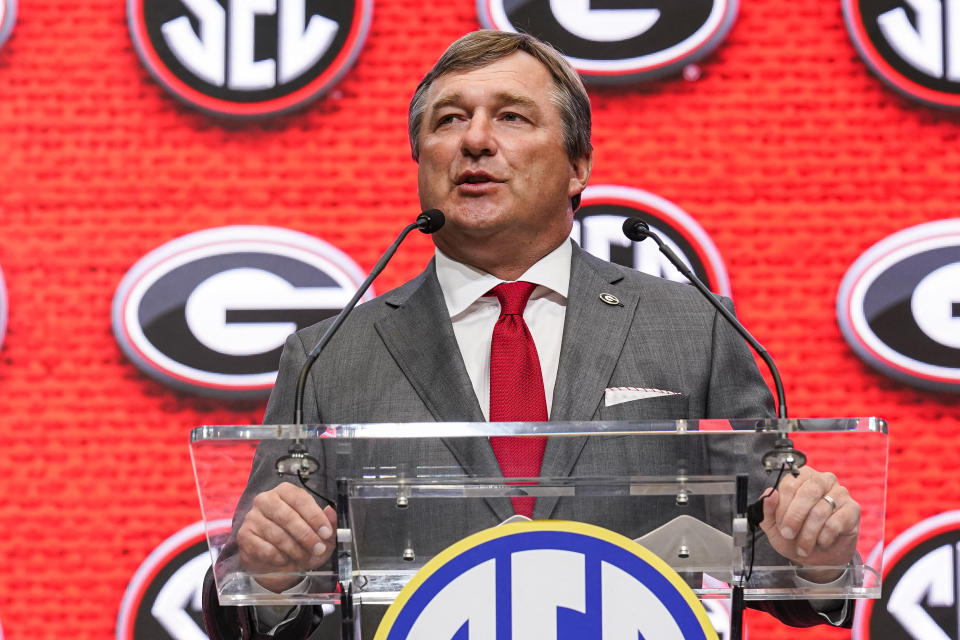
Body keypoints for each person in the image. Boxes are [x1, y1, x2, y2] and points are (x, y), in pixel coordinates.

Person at [203, 29, 860, 639]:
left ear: (578, 166)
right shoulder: (332, 354)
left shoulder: (692, 327)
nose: (475, 141)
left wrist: (818, 550)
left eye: (511, 117)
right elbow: (248, 587)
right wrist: (270, 574)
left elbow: (777, 559)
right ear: (421, 159)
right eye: (449, 120)